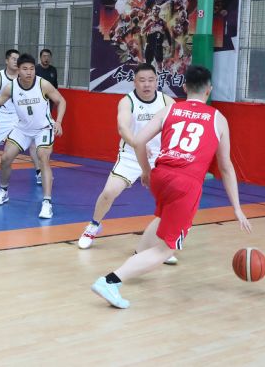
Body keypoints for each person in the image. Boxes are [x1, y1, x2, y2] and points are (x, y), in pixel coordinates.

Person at [91, 66, 252, 309]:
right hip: (185, 183)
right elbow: (226, 167)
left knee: (162, 217)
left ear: (185, 88)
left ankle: (137, 259)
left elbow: (138, 141)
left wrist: (146, 171)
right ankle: (110, 281)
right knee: (167, 250)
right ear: (209, 90)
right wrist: (237, 208)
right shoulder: (218, 119)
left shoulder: (169, 109)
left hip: (161, 175)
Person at [78, 63, 176, 254]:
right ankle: (94, 225)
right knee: (109, 192)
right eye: (142, 80)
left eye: (151, 80)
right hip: (131, 155)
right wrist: (138, 144)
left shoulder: (167, 101)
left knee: (169, 199)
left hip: (158, 157)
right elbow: (123, 128)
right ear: (134, 82)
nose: (147, 84)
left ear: (157, 81)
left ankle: (163, 244)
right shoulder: (127, 101)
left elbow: (176, 129)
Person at [0, 53, 66, 219]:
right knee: (5, 158)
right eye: (25, 69)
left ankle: (47, 203)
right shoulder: (11, 87)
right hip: (22, 129)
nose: (29, 72)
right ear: (18, 70)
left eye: (31, 69)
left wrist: (58, 121)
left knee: (43, 157)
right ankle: (3, 191)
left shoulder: (43, 84)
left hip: (43, 128)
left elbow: (61, 101)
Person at [0, 49, 42, 183]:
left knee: (33, 144)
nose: (16, 61)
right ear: (6, 61)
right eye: (13, 59)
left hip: (19, 117)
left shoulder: (23, 76)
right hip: (2, 117)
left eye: (17, 59)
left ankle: (39, 172)